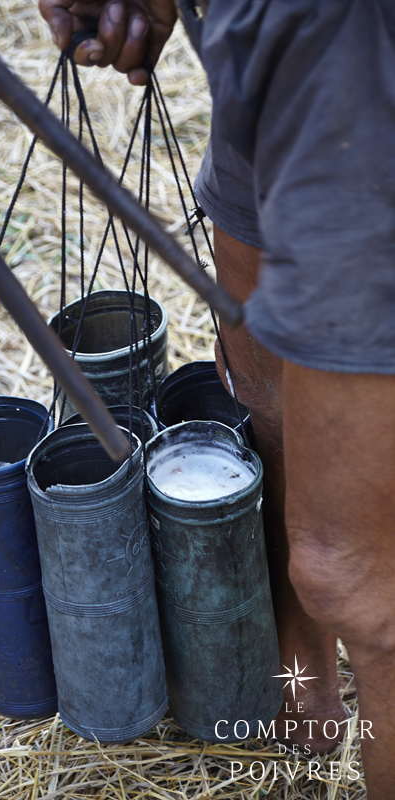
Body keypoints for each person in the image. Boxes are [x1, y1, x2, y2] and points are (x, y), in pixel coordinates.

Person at [39, 1, 395, 796]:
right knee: (261, 410)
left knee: (352, 577)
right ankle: (302, 672)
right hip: (269, 47)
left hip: (362, 64)